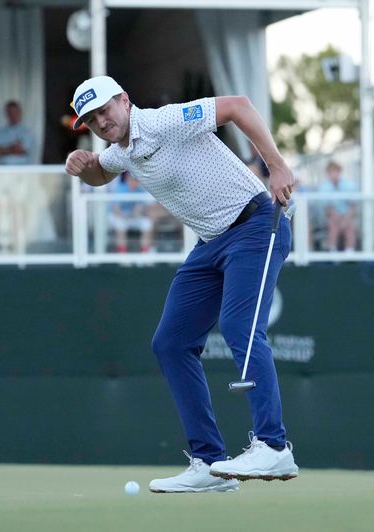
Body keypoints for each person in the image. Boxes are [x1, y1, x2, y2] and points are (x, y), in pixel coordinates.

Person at [65, 76, 298, 493]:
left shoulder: (165, 121)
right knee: (170, 343)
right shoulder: (122, 150)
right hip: (210, 243)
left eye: (105, 110)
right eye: (91, 119)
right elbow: (103, 171)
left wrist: (277, 166)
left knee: (241, 327)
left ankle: (273, 445)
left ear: (125, 99)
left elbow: (239, 106)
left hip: (256, 224)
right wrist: (85, 169)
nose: (101, 122)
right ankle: (210, 464)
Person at [317, 161, 359, 251]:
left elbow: (353, 206)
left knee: (350, 228)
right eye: (330, 172)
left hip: (348, 216)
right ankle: (333, 252)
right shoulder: (324, 187)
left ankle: (349, 252)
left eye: (335, 171)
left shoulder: (350, 185)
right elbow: (328, 208)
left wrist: (345, 220)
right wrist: (338, 220)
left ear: (339, 172)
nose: (333, 174)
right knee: (332, 226)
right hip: (333, 218)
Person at [110, 171, 154, 253]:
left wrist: (136, 214)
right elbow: (116, 208)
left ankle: (144, 253)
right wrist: (124, 216)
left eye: (136, 180)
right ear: (128, 179)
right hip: (120, 216)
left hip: (133, 217)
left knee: (147, 223)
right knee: (120, 225)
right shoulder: (121, 188)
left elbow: (139, 209)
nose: (134, 182)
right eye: (132, 179)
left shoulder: (141, 189)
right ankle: (122, 254)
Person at [0, 101, 35, 165]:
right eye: (9, 112)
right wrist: (12, 148)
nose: (12, 115)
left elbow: (21, 152)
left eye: (14, 112)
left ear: (19, 113)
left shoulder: (26, 132)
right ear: (6, 114)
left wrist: (2, 149)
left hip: (21, 171)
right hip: (2, 170)